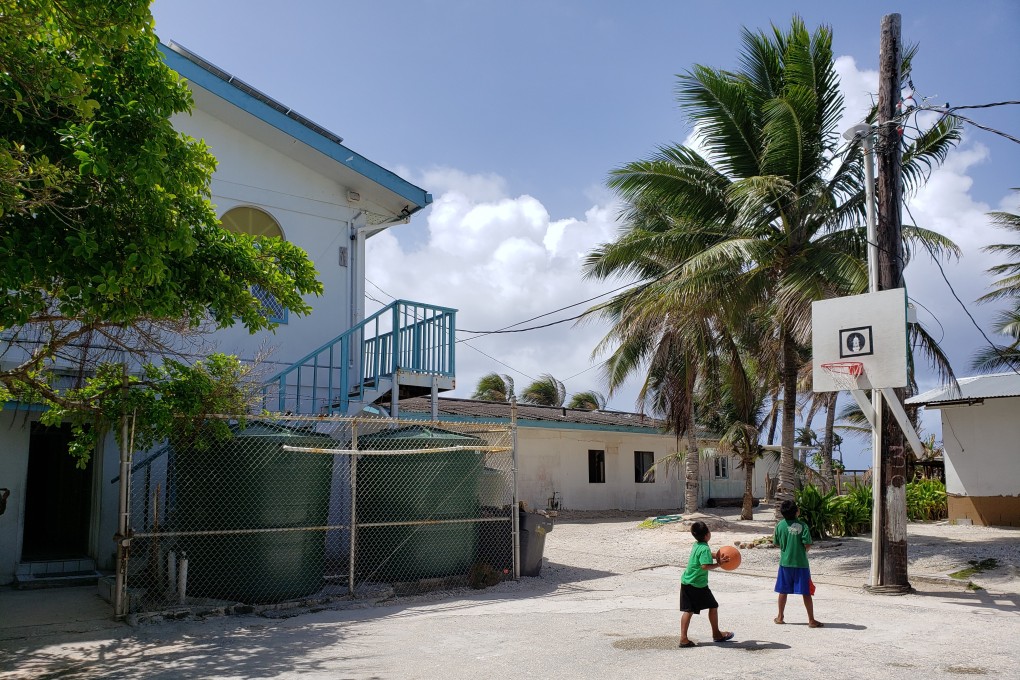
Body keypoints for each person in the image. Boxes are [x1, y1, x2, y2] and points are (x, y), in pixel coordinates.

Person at [678, 520, 735, 647]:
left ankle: (684, 638)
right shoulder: (704, 548)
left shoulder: (697, 544)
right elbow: (704, 566)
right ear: (707, 535)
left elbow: (707, 555)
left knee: (688, 610)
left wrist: (718, 556)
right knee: (713, 606)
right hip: (697, 584)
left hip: (687, 582)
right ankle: (716, 634)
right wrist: (719, 564)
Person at [773, 499, 823, 627]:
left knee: (783, 591)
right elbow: (807, 543)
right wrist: (803, 549)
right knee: (806, 592)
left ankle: (780, 617)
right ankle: (811, 620)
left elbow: (777, 542)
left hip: (785, 563)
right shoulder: (803, 525)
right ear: (797, 512)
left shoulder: (779, 525)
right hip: (801, 564)